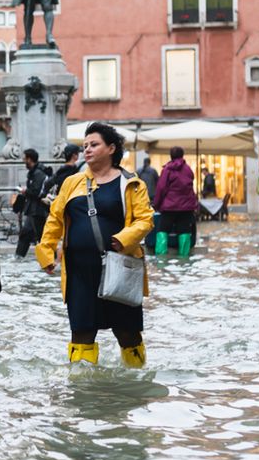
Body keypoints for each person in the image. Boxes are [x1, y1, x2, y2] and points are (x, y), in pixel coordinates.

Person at [36, 122, 154, 367]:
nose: (87, 149)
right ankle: (83, 390)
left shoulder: (131, 183)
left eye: (94, 144)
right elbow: (55, 218)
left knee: (128, 334)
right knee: (81, 332)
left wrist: (124, 239)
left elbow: (145, 219)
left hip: (119, 267)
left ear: (111, 148)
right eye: (85, 145)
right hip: (79, 271)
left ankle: (135, 379)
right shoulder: (72, 183)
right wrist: (46, 252)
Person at [153, 147, 199, 256]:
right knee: (184, 231)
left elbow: (161, 188)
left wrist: (157, 204)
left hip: (169, 207)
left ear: (171, 156)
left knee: (162, 229)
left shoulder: (167, 170)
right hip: (186, 207)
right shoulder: (188, 169)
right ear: (182, 155)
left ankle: (161, 256)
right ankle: (184, 256)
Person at [14, 148, 51, 259]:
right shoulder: (34, 173)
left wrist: (25, 191)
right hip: (32, 209)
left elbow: (37, 192)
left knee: (41, 236)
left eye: (24, 158)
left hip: (38, 210)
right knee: (25, 233)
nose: (23, 160)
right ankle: (18, 257)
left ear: (29, 159)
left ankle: (49, 260)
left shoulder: (38, 173)